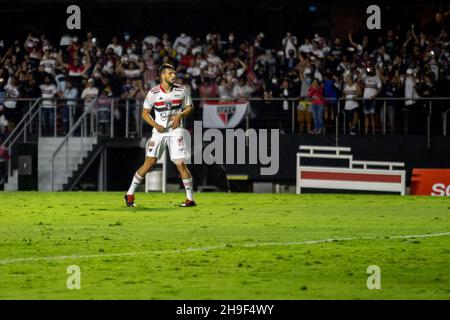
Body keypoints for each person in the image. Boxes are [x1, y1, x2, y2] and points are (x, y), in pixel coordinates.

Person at [124, 64, 196, 207]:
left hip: (176, 131)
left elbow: (190, 108)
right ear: (163, 75)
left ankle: (190, 199)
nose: (173, 75)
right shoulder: (153, 93)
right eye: (170, 73)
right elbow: (145, 113)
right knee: (149, 163)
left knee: (180, 163)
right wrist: (156, 126)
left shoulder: (182, 90)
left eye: (174, 73)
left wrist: (179, 115)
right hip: (159, 132)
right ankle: (129, 194)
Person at [362, 67, 382, 135]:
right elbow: (360, 80)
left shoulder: (377, 78)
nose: (369, 70)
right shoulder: (366, 77)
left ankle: (373, 133)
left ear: (374, 70)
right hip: (365, 99)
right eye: (369, 69)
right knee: (366, 116)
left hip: (372, 99)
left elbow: (379, 89)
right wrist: (364, 71)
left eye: (371, 69)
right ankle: (366, 132)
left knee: (372, 116)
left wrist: (374, 96)